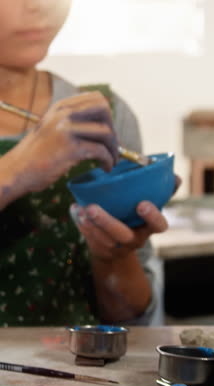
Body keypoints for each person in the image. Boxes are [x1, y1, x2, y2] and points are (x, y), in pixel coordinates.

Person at [0, 0, 180, 327]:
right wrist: (16, 170)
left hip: (72, 372)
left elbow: (131, 322)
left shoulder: (99, 118)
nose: (40, 4)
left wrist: (113, 256)